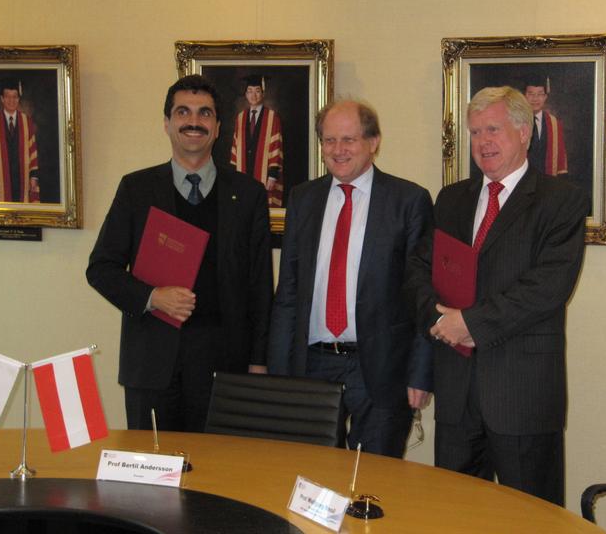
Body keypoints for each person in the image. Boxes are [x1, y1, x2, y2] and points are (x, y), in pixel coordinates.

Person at [405, 86, 589, 505]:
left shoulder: (561, 201)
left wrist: (469, 323)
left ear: (524, 132)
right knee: (454, 516)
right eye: (474, 132)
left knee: (531, 521)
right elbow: (417, 270)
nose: (482, 142)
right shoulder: (452, 199)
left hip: (521, 394)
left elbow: (546, 289)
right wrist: (437, 320)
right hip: (456, 394)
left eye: (493, 129)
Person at [86, 74, 273, 432]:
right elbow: (101, 268)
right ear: (167, 124)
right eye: (183, 112)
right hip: (152, 365)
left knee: (218, 478)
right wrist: (152, 296)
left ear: (218, 127)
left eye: (205, 114)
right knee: (151, 479)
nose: (194, 122)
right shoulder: (136, 189)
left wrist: (258, 362)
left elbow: (260, 286)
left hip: (225, 365)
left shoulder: (248, 194)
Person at [268, 99, 433, 458]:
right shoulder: (302, 198)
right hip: (311, 363)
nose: (338, 151)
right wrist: (278, 373)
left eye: (349, 140)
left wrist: (420, 373)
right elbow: (289, 291)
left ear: (373, 142)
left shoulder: (408, 201)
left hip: (379, 367)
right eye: (329, 141)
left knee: (372, 483)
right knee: (308, 474)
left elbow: (423, 294)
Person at [230, 75, 284, 208]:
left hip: (264, 174)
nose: (253, 95)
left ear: (263, 93)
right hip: (244, 171)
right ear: (246, 94)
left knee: (261, 209)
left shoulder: (273, 117)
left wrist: (272, 176)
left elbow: (276, 146)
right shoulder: (240, 117)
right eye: (249, 91)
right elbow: (235, 146)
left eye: (257, 91)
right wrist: (234, 174)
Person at [0, 80, 40, 202]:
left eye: (14, 97)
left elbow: (32, 150)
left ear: (18, 99)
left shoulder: (26, 121)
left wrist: (33, 176)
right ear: (2, 99)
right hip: (1, 178)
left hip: (22, 177)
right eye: (7, 97)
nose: (11, 101)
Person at [524, 75, 568, 176]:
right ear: (524, 96)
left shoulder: (555, 124)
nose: (535, 99)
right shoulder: (514, 122)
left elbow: (560, 156)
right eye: (531, 94)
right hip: (521, 181)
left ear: (545, 97)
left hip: (546, 180)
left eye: (540, 94)